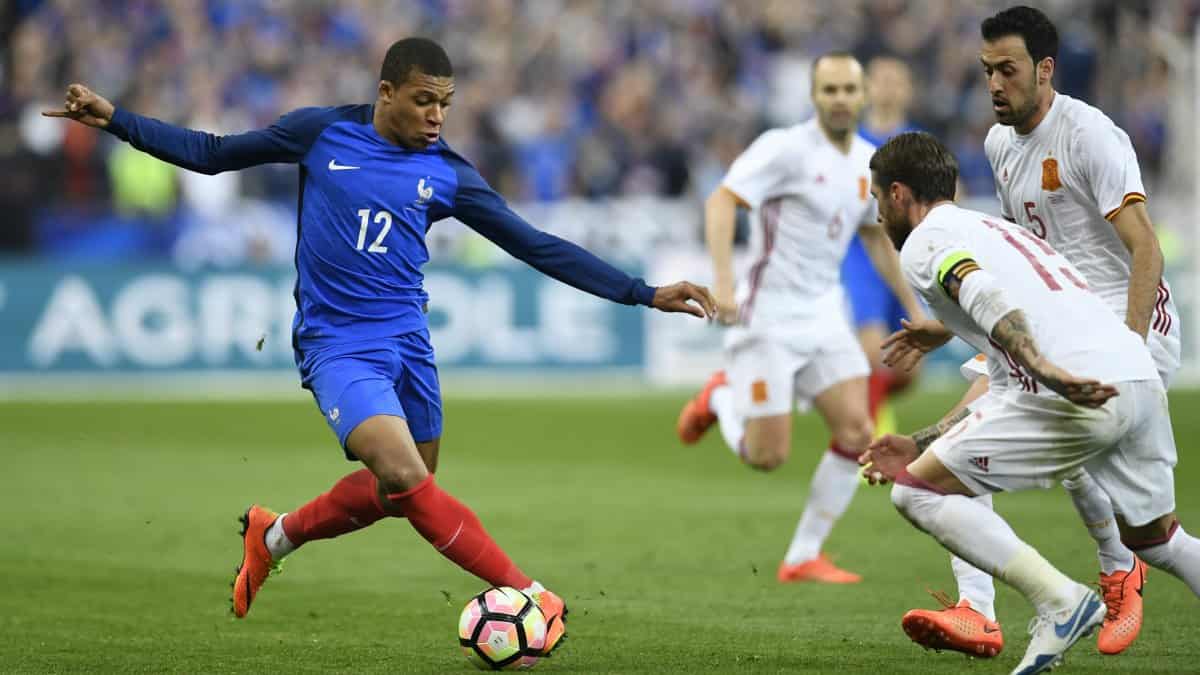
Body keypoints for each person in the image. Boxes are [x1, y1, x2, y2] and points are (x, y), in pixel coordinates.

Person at [44, 37, 717, 655]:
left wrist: (641, 290)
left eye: (446, 104)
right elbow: (215, 153)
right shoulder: (323, 131)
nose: (436, 116)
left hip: (408, 343)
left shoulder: (448, 174)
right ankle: (530, 592)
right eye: (424, 100)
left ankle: (274, 535)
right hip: (337, 343)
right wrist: (118, 119)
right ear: (386, 91)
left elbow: (535, 244)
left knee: (402, 491)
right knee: (403, 475)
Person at [893, 5, 1182, 658]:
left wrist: (1128, 348)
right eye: (986, 70)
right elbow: (1013, 259)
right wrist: (950, 325)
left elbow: (1145, 249)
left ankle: (1114, 566)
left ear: (1045, 69)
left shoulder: (1091, 136)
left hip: (1122, 319)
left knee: (1056, 431)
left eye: (1008, 70)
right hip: (1053, 313)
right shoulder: (999, 146)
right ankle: (979, 608)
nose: (994, 84)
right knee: (967, 441)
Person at [859, 130, 1199, 675]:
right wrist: (921, 440)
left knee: (915, 494)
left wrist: (1042, 367)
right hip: (1136, 375)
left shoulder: (926, 241)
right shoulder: (998, 228)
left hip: (1073, 388)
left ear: (899, 194)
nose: (877, 216)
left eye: (878, 200)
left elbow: (976, 290)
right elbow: (997, 379)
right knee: (1159, 540)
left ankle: (1057, 602)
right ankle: (1059, 596)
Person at [675, 52, 925, 584]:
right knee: (768, 457)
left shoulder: (867, 162)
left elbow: (873, 236)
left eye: (847, 90)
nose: (839, 99)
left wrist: (912, 304)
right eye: (828, 90)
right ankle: (719, 397)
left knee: (859, 431)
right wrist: (722, 284)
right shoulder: (784, 149)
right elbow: (721, 202)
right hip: (768, 317)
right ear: (815, 96)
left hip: (824, 315)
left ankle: (803, 555)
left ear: (862, 97)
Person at [841, 55, 924, 438]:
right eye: (881, 79)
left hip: (908, 256)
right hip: (862, 254)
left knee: (909, 370)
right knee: (875, 353)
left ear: (908, 89)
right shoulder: (851, 143)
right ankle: (867, 440)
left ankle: (869, 406)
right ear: (868, 88)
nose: (888, 87)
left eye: (896, 80)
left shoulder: (920, 144)